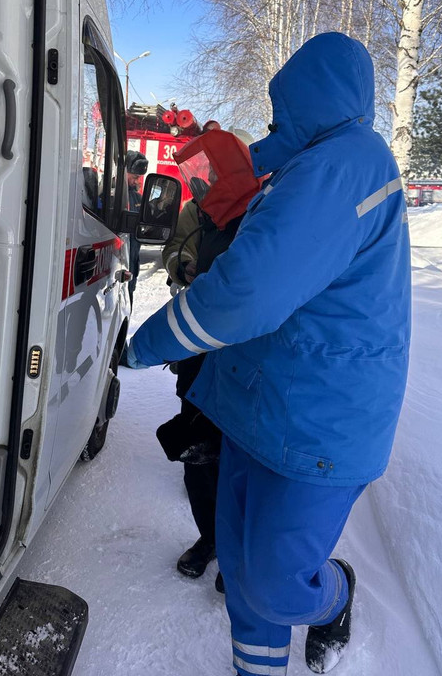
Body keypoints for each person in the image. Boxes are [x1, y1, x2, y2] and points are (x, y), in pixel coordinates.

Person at [127, 33, 411, 675]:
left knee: (274, 584)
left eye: (285, 103)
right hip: (261, 404)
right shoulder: (297, 167)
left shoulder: (345, 165)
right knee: (244, 575)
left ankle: (333, 593)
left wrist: (142, 344)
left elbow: (249, 292)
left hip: (322, 422)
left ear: (313, 96)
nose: (276, 116)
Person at [158, 130, 264, 590]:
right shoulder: (195, 213)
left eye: (206, 172)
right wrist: (183, 267)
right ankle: (210, 540)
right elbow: (174, 251)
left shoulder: (265, 213)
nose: (199, 183)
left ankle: (240, 554)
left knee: (239, 459)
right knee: (197, 454)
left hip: (245, 361)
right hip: (198, 355)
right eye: (195, 174)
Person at [125, 149, 149, 305]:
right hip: (117, 266)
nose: (136, 181)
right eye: (134, 177)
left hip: (131, 266)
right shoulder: (108, 194)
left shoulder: (137, 198)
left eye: (138, 178)